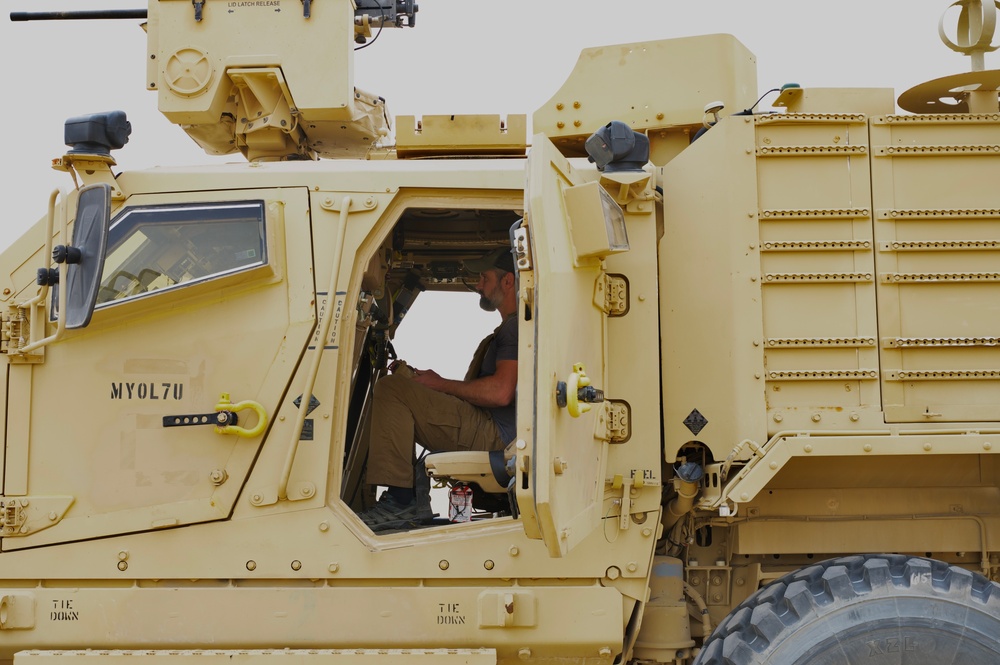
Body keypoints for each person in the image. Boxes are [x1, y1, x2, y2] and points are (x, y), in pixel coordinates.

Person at [358, 247, 519, 531]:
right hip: (496, 429)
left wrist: (439, 384)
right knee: (401, 388)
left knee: (392, 390)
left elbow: (500, 393)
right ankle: (406, 498)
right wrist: (429, 384)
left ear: (508, 281)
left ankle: (401, 500)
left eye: (484, 277)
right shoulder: (513, 328)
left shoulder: (514, 328)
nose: (479, 285)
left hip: (496, 436)